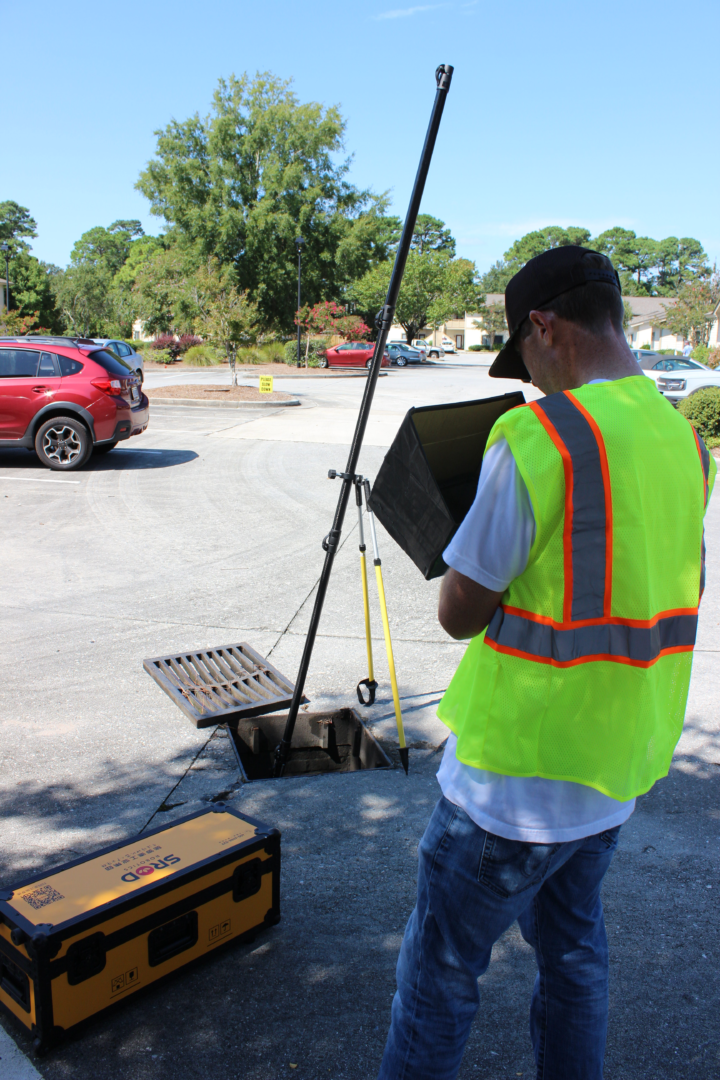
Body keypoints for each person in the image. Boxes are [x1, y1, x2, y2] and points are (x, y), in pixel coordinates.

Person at [377, 246, 715, 1080]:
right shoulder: (687, 440)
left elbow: (461, 613)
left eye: (523, 357)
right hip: (612, 772)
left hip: (509, 784)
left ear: (545, 327)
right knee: (573, 961)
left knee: (439, 979)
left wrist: (464, 544)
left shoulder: (539, 435)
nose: (526, 380)